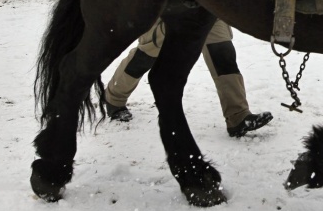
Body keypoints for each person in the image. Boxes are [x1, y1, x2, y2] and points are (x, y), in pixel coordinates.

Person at [105, 18, 273, 138]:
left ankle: (238, 116)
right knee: (147, 55)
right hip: (168, 4)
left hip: (208, 4)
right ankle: (114, 98)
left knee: (223, 55)